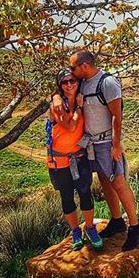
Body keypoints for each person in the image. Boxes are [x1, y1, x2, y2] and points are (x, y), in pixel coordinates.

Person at [69, 49, 139, 251]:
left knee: (118, 181)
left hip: (107, 142)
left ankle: (136, 228)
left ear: (84, 66)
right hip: (91, 143)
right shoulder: (83, 83)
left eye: (73, 67)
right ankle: (117, 221)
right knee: (104, 180)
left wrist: (116, 144)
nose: (71, 71)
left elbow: (116, 116)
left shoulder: (108, 83)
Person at [47, 68, 103, 250]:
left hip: (80, 157)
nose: (69, 84)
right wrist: (77, 107)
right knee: (67, 196)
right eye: (64, 82)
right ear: (59, 86)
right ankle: (75, 230)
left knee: (85, 192)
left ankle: (89, 227)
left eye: (72, 80)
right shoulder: (57, 104)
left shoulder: (82, 96)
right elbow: (70, 127)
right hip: (60, 161)